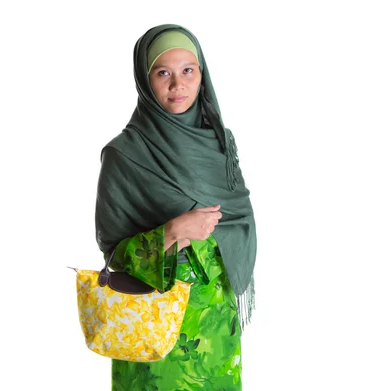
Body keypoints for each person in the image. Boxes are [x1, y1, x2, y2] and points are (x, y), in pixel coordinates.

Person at [94, 24, 257, 390]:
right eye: (162, 72)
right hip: (153, 325)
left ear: (202, 74)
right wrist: (172, 232)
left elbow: (238, 214)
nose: (177, 85)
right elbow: (114, 256)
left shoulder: (219, 141)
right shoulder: (125, 154)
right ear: (144, 78)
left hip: (216, 324)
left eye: (188, 70)